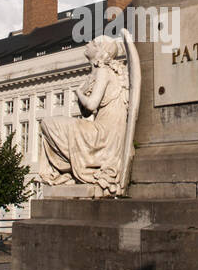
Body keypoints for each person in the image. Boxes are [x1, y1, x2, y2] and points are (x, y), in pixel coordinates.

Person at [36, 35, 130, 194]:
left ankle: (65, 170)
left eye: (93, 43)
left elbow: (91, 105)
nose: (88, 43)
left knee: (48, 123)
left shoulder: (103, 72)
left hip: (103, 135)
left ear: (100, 51)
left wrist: (79, 93)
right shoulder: (103, 72)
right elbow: (86, 113)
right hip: (105, 132)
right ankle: (67, 170)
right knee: (50, 123)